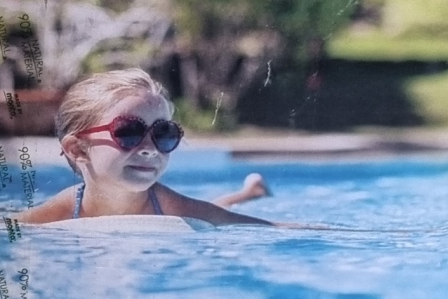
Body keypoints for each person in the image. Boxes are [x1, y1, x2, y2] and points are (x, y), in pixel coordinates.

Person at [20, 69, 271, 226]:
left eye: (164, 133)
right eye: (129, 132)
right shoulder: (60, 211)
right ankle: (250, 191)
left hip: (188, 210)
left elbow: (269, 229)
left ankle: (249, 192)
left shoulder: (172, 207)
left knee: (211, 214)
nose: (150, 148)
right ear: (78, 149)